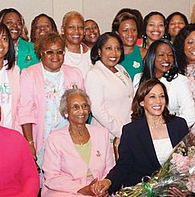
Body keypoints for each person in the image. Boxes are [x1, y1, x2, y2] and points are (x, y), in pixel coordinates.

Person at [92, 79, 195, 197]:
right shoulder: (131, 131)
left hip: (172, 188)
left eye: (162, 96)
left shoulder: (178, 124)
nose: (158, 102)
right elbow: (124, 166)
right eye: (152, 97)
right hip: (144, 190)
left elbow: (189, 161)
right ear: (142, 101)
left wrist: (186, 187)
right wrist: (108, 182)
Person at [41, 88, 121, 197]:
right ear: (66, 112)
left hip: (97, 191)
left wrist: (104, 186)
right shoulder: (55, 138)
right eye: (75, 107)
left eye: (84, 106)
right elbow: (52, 178)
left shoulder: (102, 134)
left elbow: (110, 170)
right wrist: (82, 189)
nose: (81, 111)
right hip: (65, 192)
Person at [19, 32, 84, 167]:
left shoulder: (74, 73)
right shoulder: (29, 74)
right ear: (41, 53)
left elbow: (82, 109)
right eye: (50, 52)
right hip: (41, 140)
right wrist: (30, 143)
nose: (55, 56)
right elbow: (25, 111)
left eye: (59, 52)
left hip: (70, 139)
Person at [135, 38, 195, 127]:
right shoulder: (138, 78)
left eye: (170, 55)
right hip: (142, 131)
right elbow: (134, 111)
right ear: (152, 56)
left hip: (170, 132)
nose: (166, 59)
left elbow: (189, 117)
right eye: (161, 55)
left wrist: (163, 129)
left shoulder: (180, 80)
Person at [85, 32, 133, 140]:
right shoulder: (94, 74)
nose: (114, 53)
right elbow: (97, 110)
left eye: (117, 48)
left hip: (127, 130)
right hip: (108, 133)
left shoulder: (121, 69)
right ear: (99, 51)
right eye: (109, 48)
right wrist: (120, 130)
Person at [112, 11, 147, 80]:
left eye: (133, 30)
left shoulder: (144, 53)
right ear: (117, 33)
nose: (130, 34)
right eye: (125, 30)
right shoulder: (111, 55)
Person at [62, 11, 92, 78]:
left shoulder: (91, 54)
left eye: (80, 27)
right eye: (71, 27)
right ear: (62, 30)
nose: (76, 31)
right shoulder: (57, 54)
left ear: (84, 31)